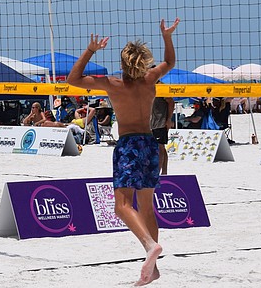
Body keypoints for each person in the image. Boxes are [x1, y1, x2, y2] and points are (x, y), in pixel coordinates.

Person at [67, 18, 179, 287]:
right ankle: (153, 269)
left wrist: (91, 50)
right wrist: (166, 37)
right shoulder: (151, 79)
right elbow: (170, 63)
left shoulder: (113, 84)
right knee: (147, 208)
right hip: (151, 144)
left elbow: (73, 79)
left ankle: (151, 246)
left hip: (129, 145)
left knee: (122, 206)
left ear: (123, 63)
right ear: (143, 62)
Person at [150, 95, 174, 175]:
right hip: (152, 123)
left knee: (160, 147)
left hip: (160, 122)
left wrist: (169, 119)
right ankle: (164, 172)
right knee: (161, 148)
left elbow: (171, 102)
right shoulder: (148, 86)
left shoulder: (161, 87)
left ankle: (158, 172)